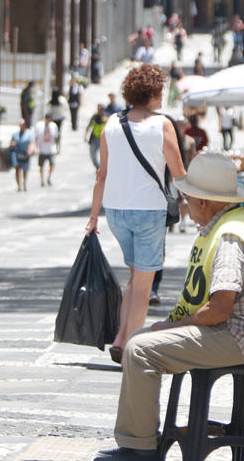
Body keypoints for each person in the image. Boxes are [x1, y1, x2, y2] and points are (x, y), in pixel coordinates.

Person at [95, 151, 244, 461]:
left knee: (141, 348)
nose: (186, 206)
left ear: (202, 202)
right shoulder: (238, 224)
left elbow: (219, 309)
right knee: (141, 340)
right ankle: (137, 440)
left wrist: (171, 327)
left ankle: (140, 448)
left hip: (239, 336)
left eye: (188, 200)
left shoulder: (228, 237)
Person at [86, 64, 186, 366]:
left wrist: (93, 216)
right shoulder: (163, 125)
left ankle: (119, 337)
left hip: (116, 212)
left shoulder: (111, 124)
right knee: (144, 284)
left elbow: (101, 175)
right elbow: (179, 174)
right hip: (148, 211)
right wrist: (198, 203)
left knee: (134, 276)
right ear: (153, 93)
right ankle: (132, 347)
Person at [9, 120, 35, 192]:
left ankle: (24, 184)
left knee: (25, 170)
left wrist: (30, 151)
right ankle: (18, 186)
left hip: (25, 154)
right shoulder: (15, 134)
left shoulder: (29, 134)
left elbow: (31, 143)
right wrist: (12, 144)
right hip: (17, 153)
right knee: (17, 169)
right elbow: (11, 143)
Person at [35, 113, 59, 187]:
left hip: (51, 149)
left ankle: (48, 178)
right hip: (42, 149)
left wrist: (57, 148)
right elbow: (36, 138)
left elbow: (56, 137)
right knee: (41, 165)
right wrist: (37, 148)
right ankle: (42, 180)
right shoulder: (39, 126)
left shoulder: (53, 126)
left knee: (52, 164)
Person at [85, 104, 108, 170]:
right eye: (98, 109)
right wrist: (85, 135)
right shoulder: (94, 117)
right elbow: (89, 126)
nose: (99, 110)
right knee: (92, 155)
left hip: (104, 139)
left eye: (100, 109)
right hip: (95, 138)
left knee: (104, 155)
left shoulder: (107, 117)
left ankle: (103, 167)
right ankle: (98, 166)